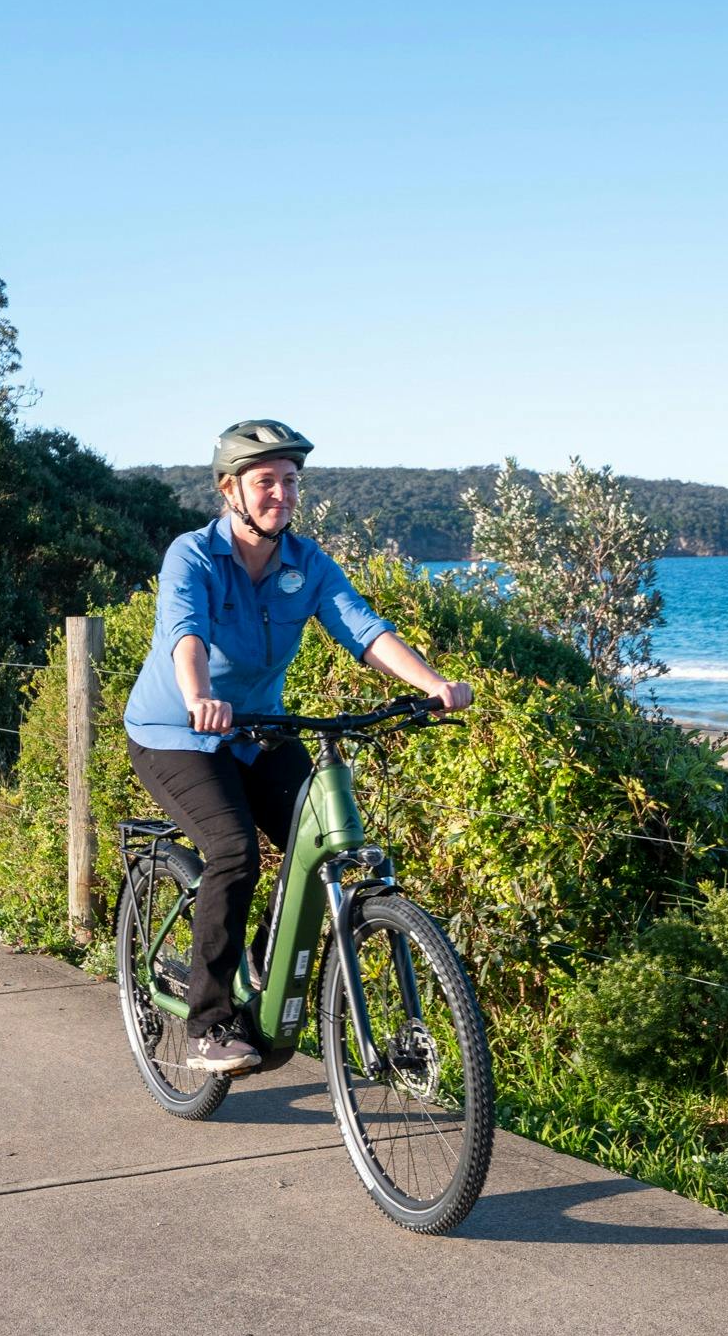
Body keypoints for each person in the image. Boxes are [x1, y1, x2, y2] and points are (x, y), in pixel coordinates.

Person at [122, 420, 474, 1074]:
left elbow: (363, 628)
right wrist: (199, 692)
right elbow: (185, 632)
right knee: (233, 850)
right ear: (230, 490)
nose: (281, 494)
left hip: (258, 731)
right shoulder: (193, 556)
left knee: (322, 849)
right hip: (178, 731)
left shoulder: (306, 563)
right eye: (265, 482)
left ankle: (263, 958)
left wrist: (433, 684)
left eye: (290, 481)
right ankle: (208, 1024)